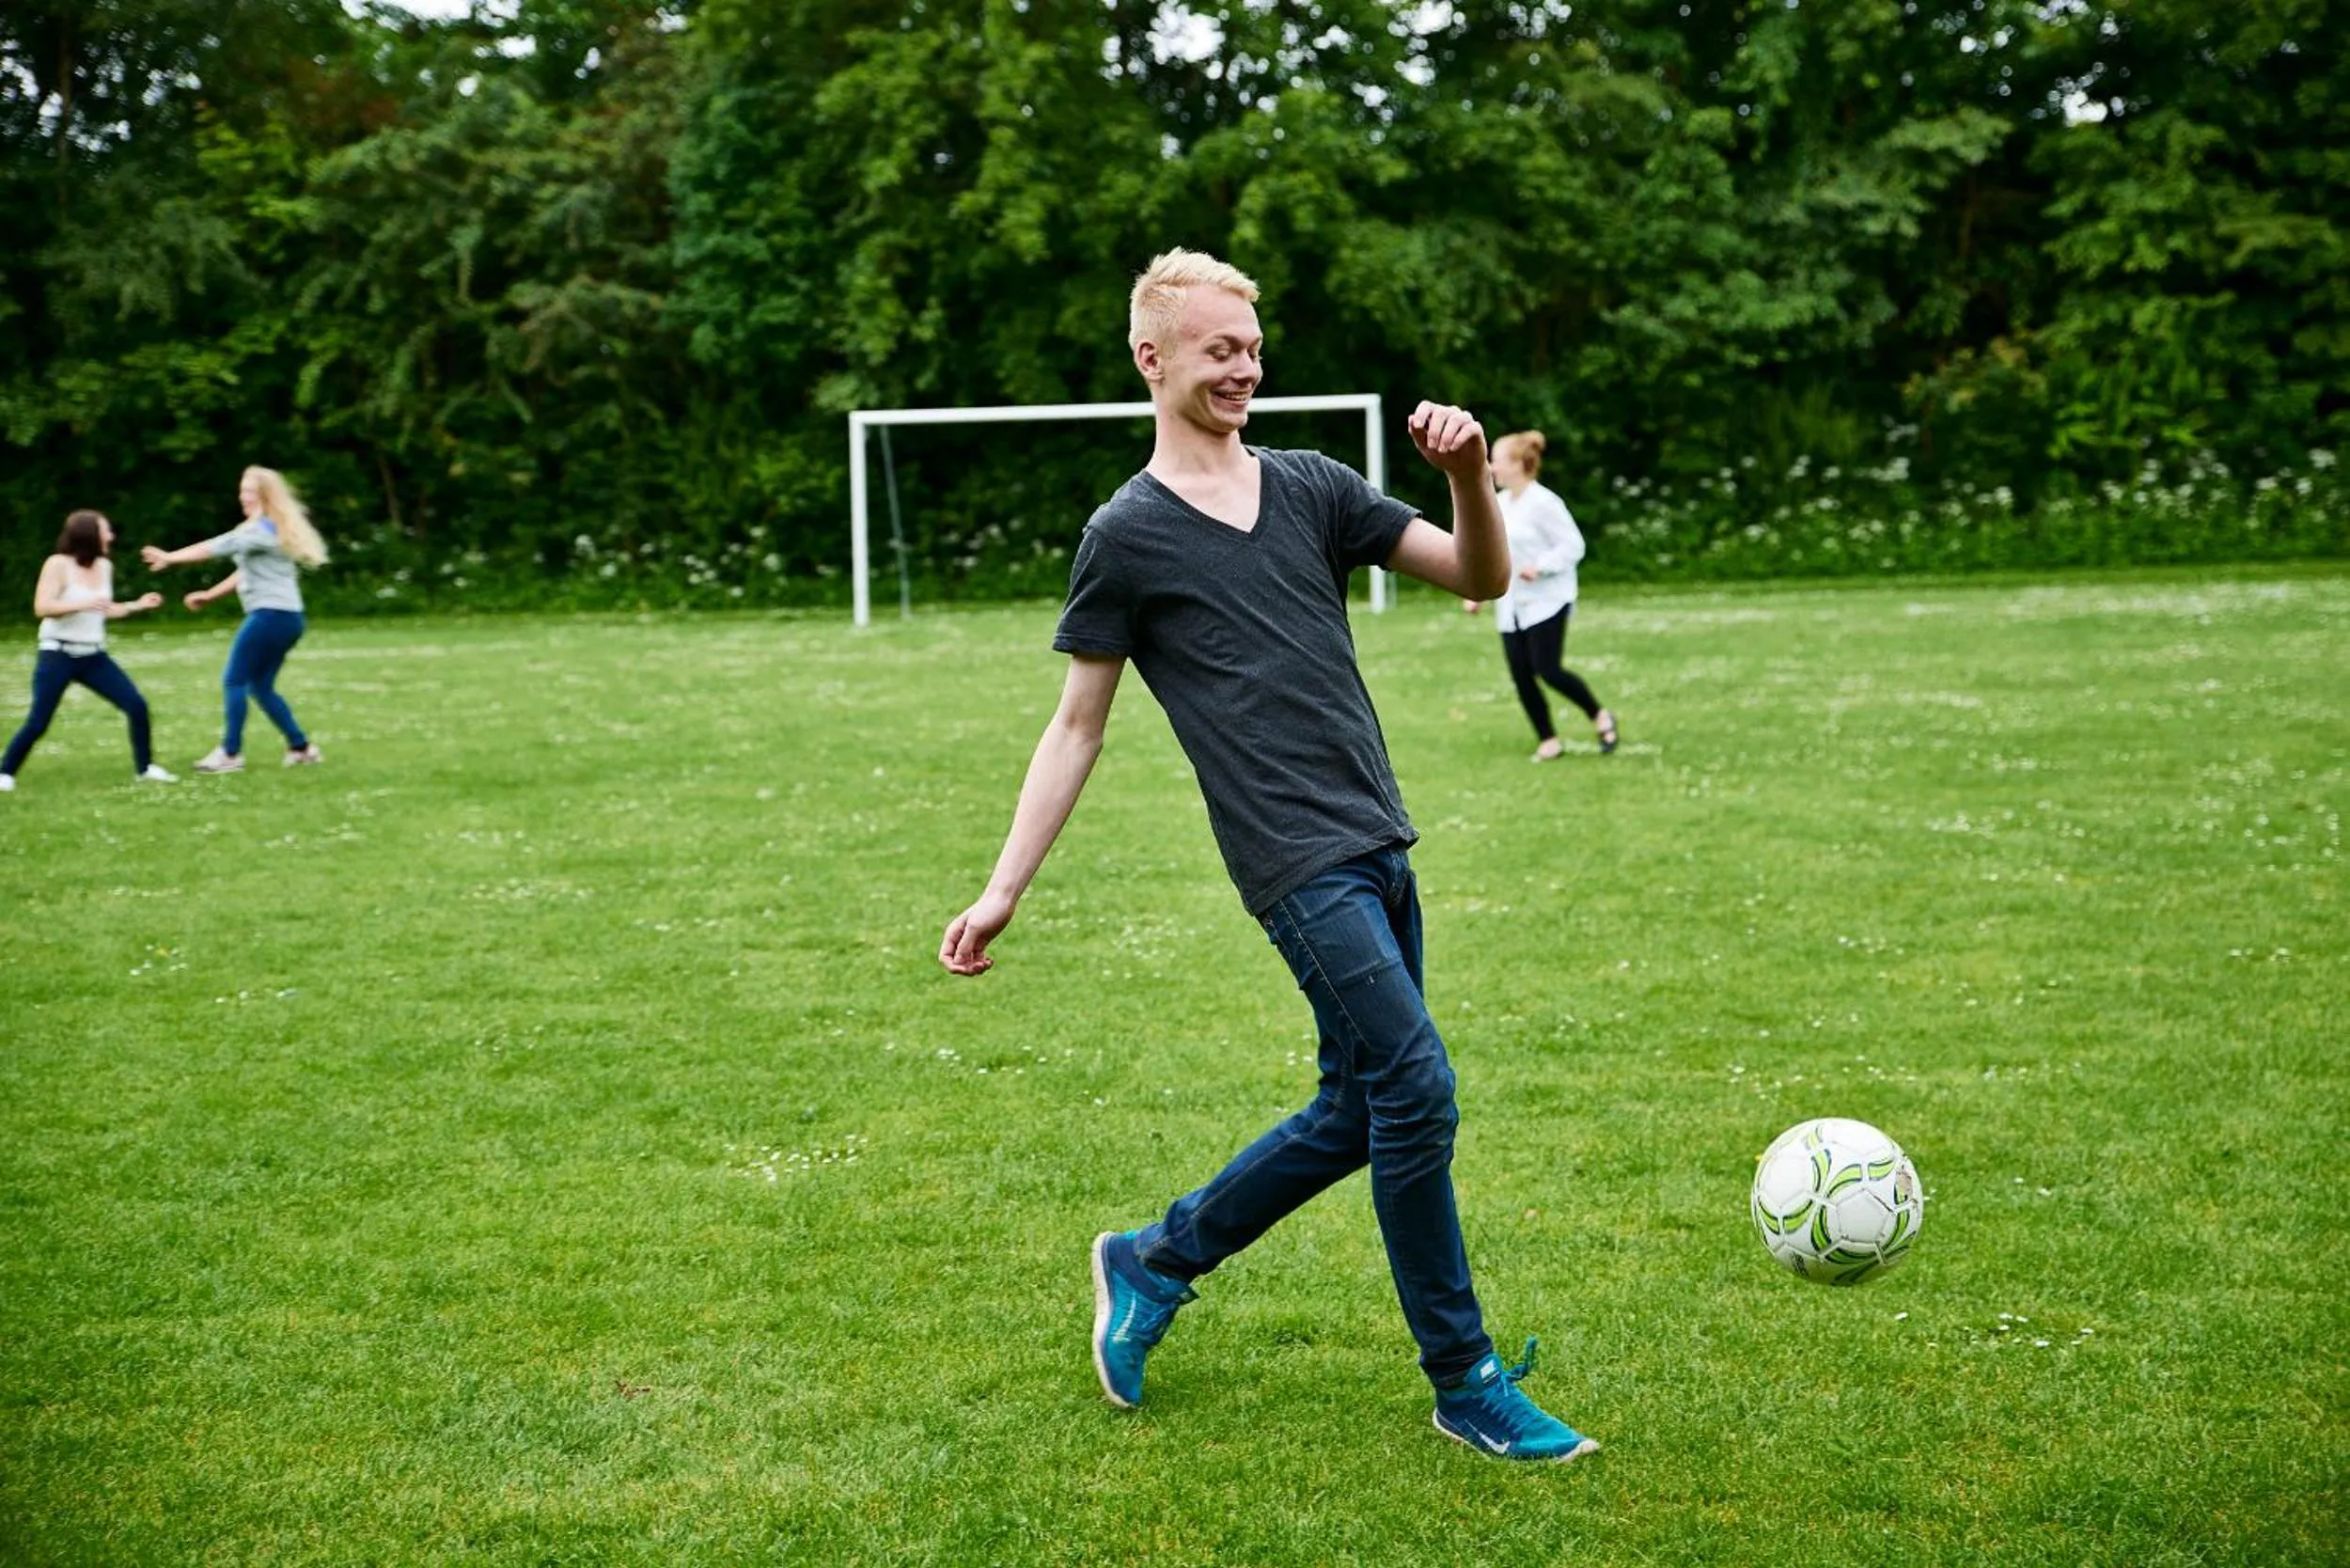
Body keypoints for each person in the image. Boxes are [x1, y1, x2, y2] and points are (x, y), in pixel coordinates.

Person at [937, 249, 1600, 1463]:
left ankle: (1154, 1258)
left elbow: (1477, 578)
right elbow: (1078, 723)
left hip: (1380, 838)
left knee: (1358, 1109)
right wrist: (1001, 889)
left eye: (1251, 347)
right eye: (1217, 349)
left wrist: (1466, 479)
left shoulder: (1313, 486)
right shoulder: (1126, 535)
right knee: (1415, 1086)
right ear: (1153, 358)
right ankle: (1464, 1376)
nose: (1243, 367)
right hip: (1293, 863)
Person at [141, 465, 327, 773]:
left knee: (235, 679)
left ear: (264, 496)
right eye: (242, 491)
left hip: (271, 615)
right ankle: (301, 748)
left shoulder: (258, 531)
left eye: (249, 491)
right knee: (260, 686)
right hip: (287, 617)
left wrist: (170, 557)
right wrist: (211, 595)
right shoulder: (267, 529)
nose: (243, 497)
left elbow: (217, 546)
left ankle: (230, 753)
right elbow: (245, 571)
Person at [0, 510, 175, 792]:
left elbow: (104, 609)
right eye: (106, 530)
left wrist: (137, 605)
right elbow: (42, 607)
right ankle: (5, 773)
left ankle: (146, 769)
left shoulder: (104, 566)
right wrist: (81, 604)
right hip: (58, 654)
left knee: (136, 705)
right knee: (39, 721)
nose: (111, 536)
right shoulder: (58, 564)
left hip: (93, 656)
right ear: (89, 535)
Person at [1485, 431, 1617, 760]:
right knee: (1520, 673)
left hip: (1547, 600)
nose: (1490, 467)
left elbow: (1574, 545)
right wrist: (1476, 591)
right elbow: (1494, 553)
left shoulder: (1544, 502)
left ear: (1518, 464)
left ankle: (1599, 714)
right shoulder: (1499, 504)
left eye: (1496, 460)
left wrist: (1541, 566)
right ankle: (1548, 739)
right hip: (1511, 603)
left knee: (1548, 669)